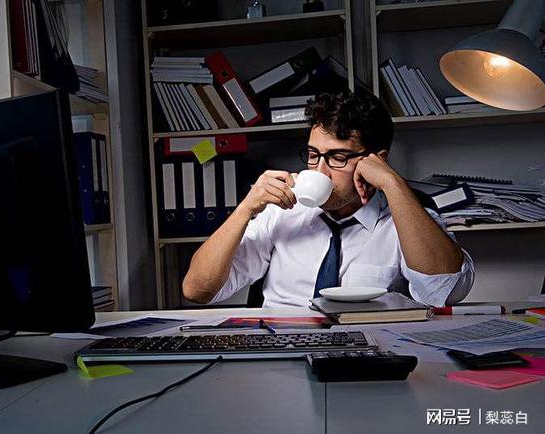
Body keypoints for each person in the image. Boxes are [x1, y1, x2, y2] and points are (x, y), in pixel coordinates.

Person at [182, 91, 474, 308]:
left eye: (337, 157)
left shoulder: (406, 217)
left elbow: (445, 291)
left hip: (372, 354)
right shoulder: (281, 212)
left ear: (377, 160)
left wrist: (391, 182)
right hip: (282, 353)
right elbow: (197, 290)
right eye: (313, 155)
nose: (319, 171)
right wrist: (246, 209)